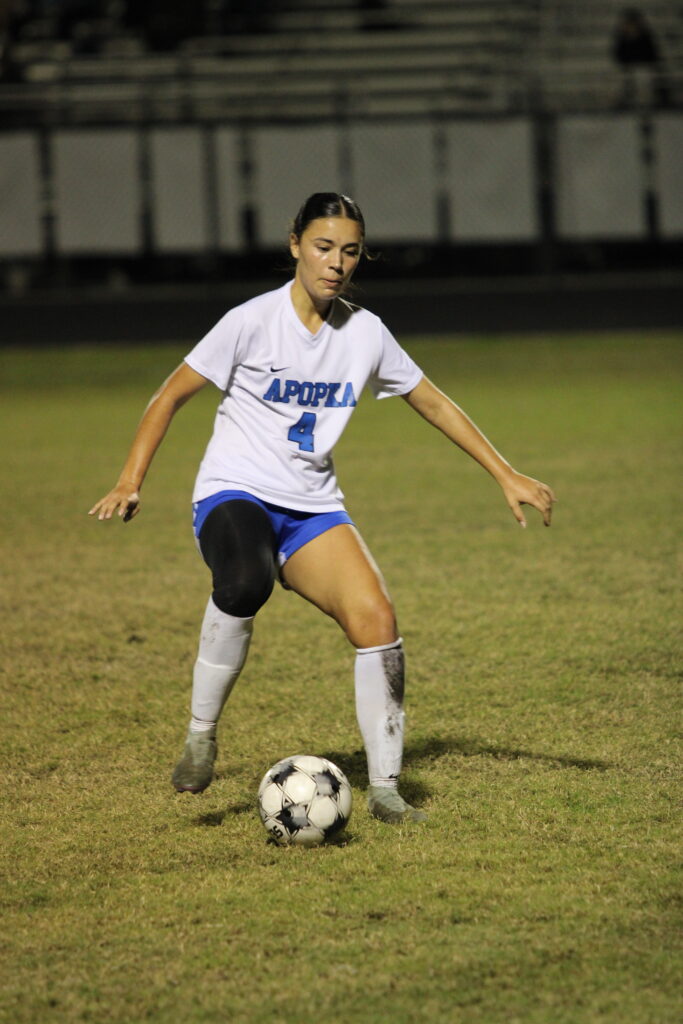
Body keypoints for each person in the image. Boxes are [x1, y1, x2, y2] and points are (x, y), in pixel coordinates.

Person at [89, 192, 556, 825]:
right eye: (323, 247)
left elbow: (434, 401)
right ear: (295, 246)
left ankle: (388, 788)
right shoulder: (250, 321)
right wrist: (130, 479)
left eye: (350, 251)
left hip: (312, 508)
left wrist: (504, 473)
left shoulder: (365, 333)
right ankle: (201, 734)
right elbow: (168, 396)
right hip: (236, 492)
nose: (336, 263)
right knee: (246, 580)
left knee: (377, 621)